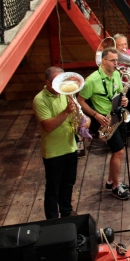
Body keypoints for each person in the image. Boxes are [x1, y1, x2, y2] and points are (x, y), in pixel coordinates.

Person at [33, 67, 90, 219]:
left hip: (70, 147)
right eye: (57, 82)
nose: (61, 85)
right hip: (53, 152)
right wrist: (65, 111)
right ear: (48, 82)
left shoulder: (67, 93)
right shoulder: (40, 99)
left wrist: (86, 122)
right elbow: (48, 126)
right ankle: (52, 220)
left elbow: (80, 115)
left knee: (68, 183)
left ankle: (66, 212)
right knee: (53, 188)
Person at [78, 48, 130, 200]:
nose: (116, 64)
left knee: (118, 152)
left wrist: (124, 100)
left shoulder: (116, 74)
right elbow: (81, 100)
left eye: (117, 60)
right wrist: (95, 115)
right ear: (103, 61)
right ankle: (115, 186)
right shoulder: (91, 80)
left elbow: (119, 93)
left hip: (117, 116)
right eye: (113, 61)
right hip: (105, 121)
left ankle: (110, 181)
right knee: (119, 151)